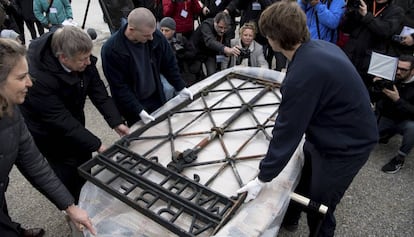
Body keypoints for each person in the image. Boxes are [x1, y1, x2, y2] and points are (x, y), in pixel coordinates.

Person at [236, 2, 378, 237]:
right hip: (330, 131)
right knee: (303, 179)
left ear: (275, 39)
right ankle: (290, 220)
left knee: (320, 206)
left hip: (347, 146)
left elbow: (287, 132)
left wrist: (262, 178)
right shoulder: (317, 48)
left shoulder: (305, 72)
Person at [19, 26, 129, 202]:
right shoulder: (37, 78)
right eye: (83, 60)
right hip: (50, 133)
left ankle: (88, 194)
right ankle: (76, 206)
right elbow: (60, 119)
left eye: (88, 57)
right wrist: (98, 145)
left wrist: (116, 121)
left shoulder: (79, 55)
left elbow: (97, 90)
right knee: (69, 171)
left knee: (84, 157)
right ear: (63, 58)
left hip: (72, 117)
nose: (88, 63)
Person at [0, 38, 96, 237]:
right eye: (21, 77)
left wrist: (70, 207)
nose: (30, 82)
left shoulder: (12, 111)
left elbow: (34, 163)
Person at [101, 7, 193, 126]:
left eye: (152, 33)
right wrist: (138, 110)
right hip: (133, 105)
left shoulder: (155, 36)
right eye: (146, 35)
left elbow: (169, 64)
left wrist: (180, 87)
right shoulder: (111, 50)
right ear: (132, 29)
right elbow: (119, 86)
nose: (151, 38)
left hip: (156, 97)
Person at [341, 0, 404, 90]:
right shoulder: (364, 4)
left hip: (371, 62)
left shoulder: (396, 11)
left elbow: (385, 31)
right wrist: (352, 12)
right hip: (350, 56)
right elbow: (345, 28)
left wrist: (366, 16)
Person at [371, 55, 414, 173]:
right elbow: (375, 99)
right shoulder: (391, 76)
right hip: (387, 116)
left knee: (412, 128)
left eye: (404, 70)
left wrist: (398, 100)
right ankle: (386, 134)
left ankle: (400, 159)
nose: (399, 72)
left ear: (412, 71)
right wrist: (376, 86)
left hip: (405, 121)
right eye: (397, 68)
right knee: (366, 138)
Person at [190, 11, 239, 77]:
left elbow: (227, 42)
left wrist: (228, 52)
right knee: (194, 71)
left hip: (211, 53)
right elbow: (210, 41)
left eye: (225, 28)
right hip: (196, 52)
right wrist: (226, 49)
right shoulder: (206, 25)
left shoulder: (227, 29)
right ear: (215, 23)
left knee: (212, 75)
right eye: (220, 27)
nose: (223, 30)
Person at [159, 16, 198, 86]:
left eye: (166, 30)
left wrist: (182, 54)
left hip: (183, 71)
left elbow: (193, 53)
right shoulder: (158, 42)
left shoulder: (181, 40)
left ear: (173, 31)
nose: (163, 33)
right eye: (161, 30)